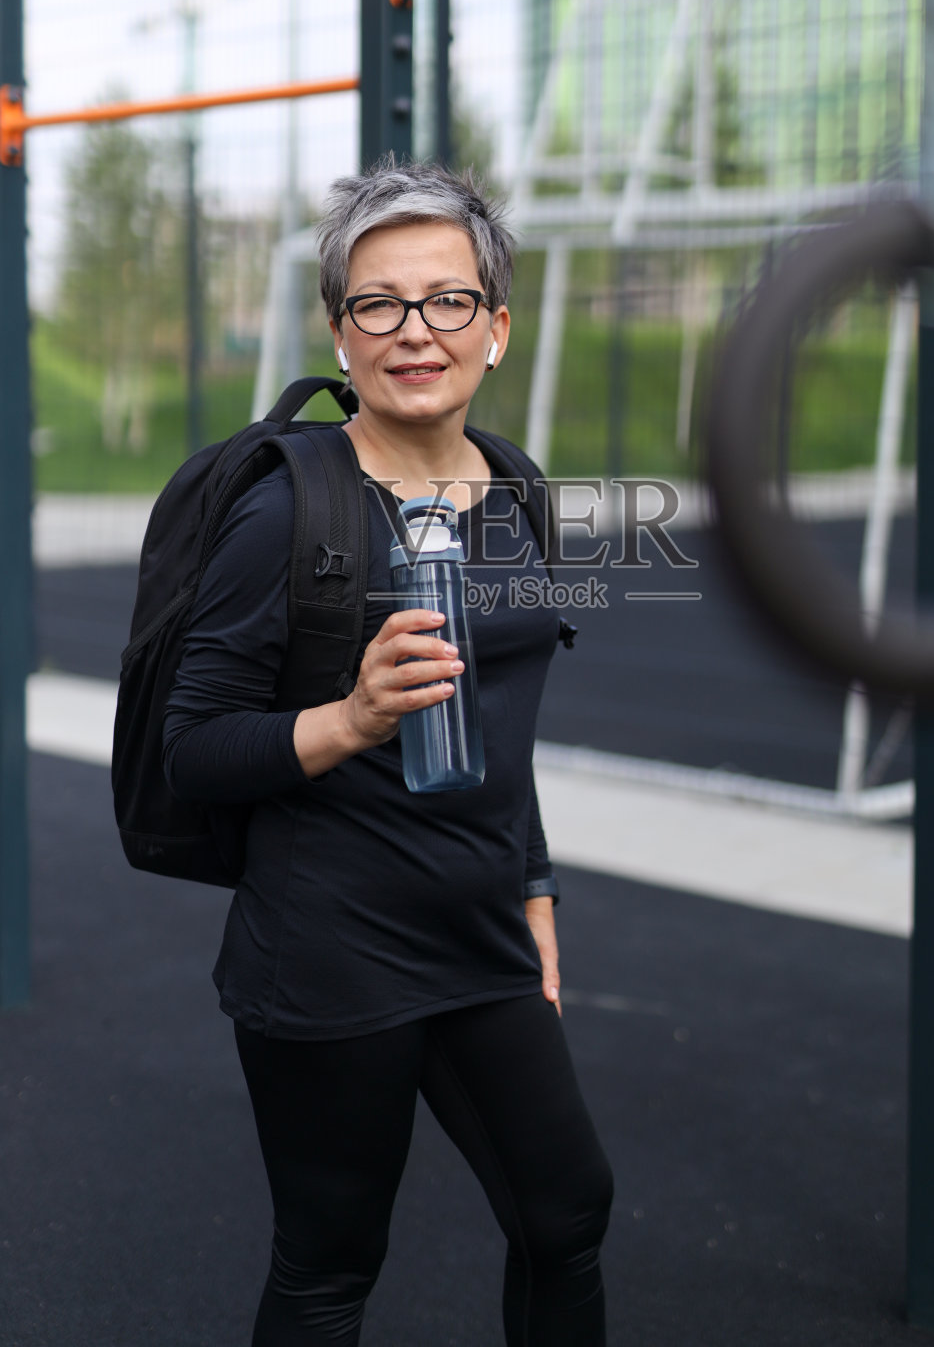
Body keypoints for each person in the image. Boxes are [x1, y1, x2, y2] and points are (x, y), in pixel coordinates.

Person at [162, 159, 614, 1346]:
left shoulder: (517, 496)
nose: (416, 330)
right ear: (340, 332)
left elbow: (502, 729)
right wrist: (351, 719)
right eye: (379, 304)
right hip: (326, 953)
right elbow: (191, 749)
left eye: (447, 300)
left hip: (478, 942)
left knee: (567, 1212)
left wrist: (534, 888)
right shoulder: (285, 507)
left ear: (496, 327)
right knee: (329, 1266)